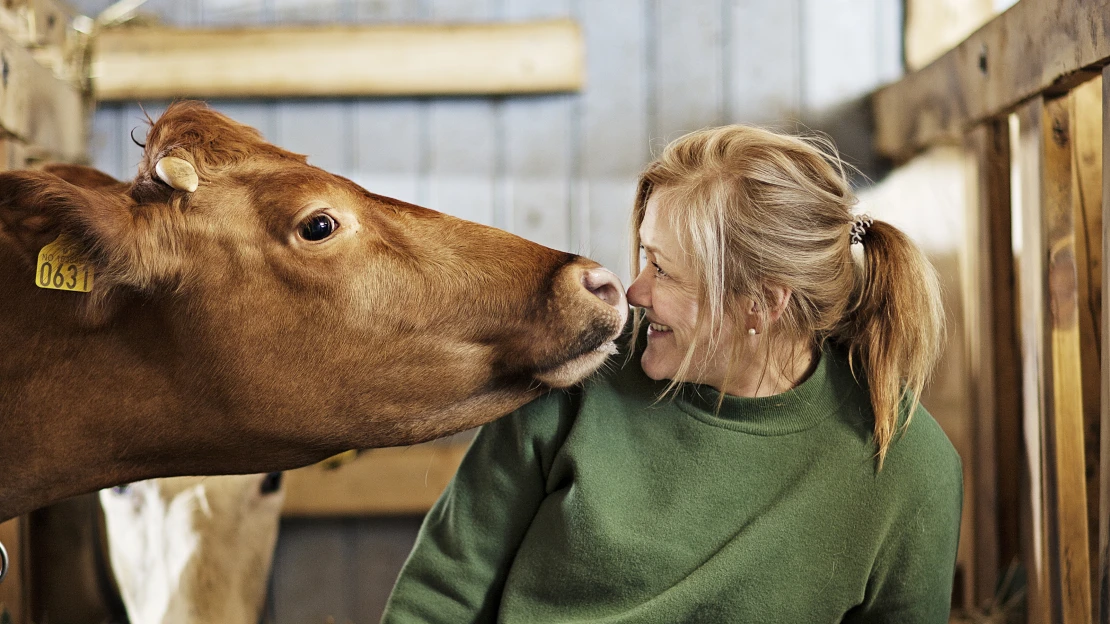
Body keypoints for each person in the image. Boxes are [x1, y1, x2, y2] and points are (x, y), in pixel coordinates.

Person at [380, 126, 963, 623]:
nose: (634, 292)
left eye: (664, 270)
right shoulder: (578, 378)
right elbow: (440, 595)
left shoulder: (909, 471)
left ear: (761, 303)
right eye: (643, 255)